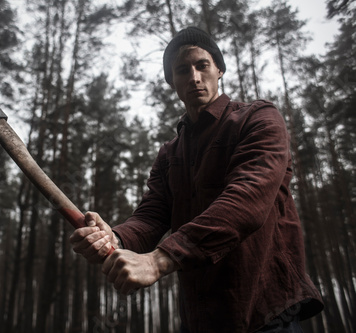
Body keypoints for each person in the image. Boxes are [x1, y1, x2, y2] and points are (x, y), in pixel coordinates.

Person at [69, 27, 323, 332]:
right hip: (201, 318)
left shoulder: (258, 119)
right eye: (182, 70)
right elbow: (151, 215)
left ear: (219, 69)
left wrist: (158, 260)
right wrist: (115, 237)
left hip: (266, 311)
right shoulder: (169, 154)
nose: (194, 76)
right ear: (171, 82)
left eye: (202, 65)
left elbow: (247, 199)